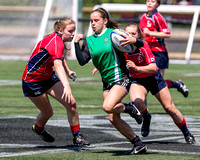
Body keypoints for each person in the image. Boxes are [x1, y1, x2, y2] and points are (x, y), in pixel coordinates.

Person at [74, 8, 147, 155]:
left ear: (105, 21)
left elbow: (138, 46)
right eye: (91, 21)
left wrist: (135, 40)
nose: (93, 23)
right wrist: (76, 43)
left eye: (97, 20)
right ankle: (138, 144)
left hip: (121, 78)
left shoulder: (114, 34)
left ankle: (130, 108)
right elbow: (82, 61)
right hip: (106, 82)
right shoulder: (89, 41)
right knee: (113, 118)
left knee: (108, 107)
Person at [124, 22, 196, 144]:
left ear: (139, 36)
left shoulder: (143, 45)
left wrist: (136, 68)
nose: (130, 36)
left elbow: (153, 68)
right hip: (138, 80)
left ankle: (186, 133)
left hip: (154, 78)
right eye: (127, 34)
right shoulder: (121, 48)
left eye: (133, 34)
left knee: (170, 108)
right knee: (137, 102)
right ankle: (146, 117)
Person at [22, 17, 90, 146]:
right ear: (60, 30)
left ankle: (77, 136)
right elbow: (57, 65)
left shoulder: (58, 40)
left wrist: (68, 70)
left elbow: (59, 57)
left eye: (74, 31)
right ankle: (38, 128)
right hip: (32, 81)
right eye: (70, 31)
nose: (73, 34)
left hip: (47, 77)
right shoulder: (55, 41)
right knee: (48, 112)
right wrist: (67, 87)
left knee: (71, 103)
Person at [140, 0, 189, 98]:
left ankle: (178, 85)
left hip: (159, 52)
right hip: (147, 52)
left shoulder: (158, 17)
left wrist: (150, 33)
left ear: (157, 4)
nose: (149, 3)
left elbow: (167, 34)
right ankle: (142, 108)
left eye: (152, 1)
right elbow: (142, 34)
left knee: (159, 83)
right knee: (143, 80)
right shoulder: (143, 17)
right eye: (148, 1)